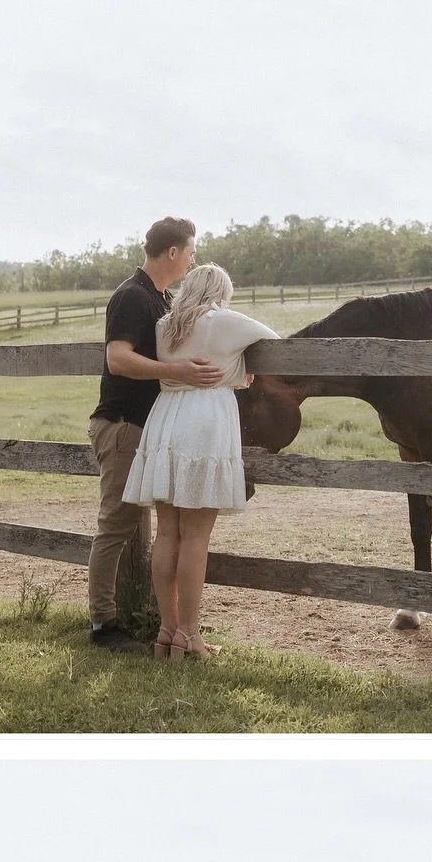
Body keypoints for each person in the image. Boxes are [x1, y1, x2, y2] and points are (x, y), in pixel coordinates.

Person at [122, 263, 279, 659]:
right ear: (220, 292)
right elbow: (276, 343)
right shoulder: (224, 321)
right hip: (206, 420)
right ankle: (190, 636)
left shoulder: (165, 326)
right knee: (195, 536)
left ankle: (167, 631)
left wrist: (233, 367)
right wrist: (240, 368)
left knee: (168, 532)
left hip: (167, 418)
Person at [87, 218, 225, 653]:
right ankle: (103, 624)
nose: (193, 258)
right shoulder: (132, 296)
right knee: (116, 526)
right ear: (172, 252)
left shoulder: (161, 298)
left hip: (147, 429)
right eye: (190, 251)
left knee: (144, 528)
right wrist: (177, 372)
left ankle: (160, 624)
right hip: (123, 425)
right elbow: (118, 360)